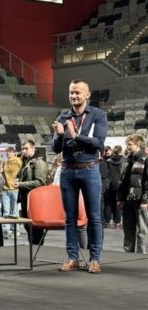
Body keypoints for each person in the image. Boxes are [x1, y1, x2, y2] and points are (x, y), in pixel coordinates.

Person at [51, 79, 107, 274]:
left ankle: (95, 259)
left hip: (89, 169)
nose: (74, 96)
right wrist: (60, 135)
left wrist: (76, 136)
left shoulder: (98, 115)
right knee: (70, 218)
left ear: (87, 95)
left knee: (94, 217)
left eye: (78, 92)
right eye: (71, 92)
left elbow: (99, 143)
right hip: (67, 169)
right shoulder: (63, 117)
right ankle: (72, 258)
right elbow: (55, 148)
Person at [116, 134, 148, 254]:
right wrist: (120, 199)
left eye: (130, 144)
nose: (127, 147)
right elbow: (123, 181)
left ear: (137, 144)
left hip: (140, 199)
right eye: (127, 144)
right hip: (128, 199)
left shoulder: (145, 159)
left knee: (142, 229)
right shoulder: (127, 159)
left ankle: (141, 253)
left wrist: (145, 200)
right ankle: (128, 254)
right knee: (128, 227)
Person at [14, 140, 48, 245]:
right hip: (25, 198)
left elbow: (40, 182)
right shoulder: (24, 162)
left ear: (33, 148)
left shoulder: (39, 163)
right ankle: (33, 248)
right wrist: (17, 180)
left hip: (35, 200)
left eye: (26, 149)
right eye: (22, 149)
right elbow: (19, 176)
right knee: (27, 225)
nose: (24, 151)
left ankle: (37, 248)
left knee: (35, 227)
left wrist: (20, 184)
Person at [1, 146, 22, 238]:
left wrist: (19, 181)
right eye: (7, 152)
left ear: (13, 153)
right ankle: (6, 230)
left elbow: (23, 170)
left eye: (10, 152)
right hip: (5, 188)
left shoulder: (18, 161)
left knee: (14, 210)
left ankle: (16, 229)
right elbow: (1, 172)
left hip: (15, 188)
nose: (8, 153)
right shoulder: (4, 162)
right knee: (6, 210)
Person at [105, 145, 124, 229]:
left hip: (110, 184)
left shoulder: (108, 161)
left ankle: (107, 222)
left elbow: (107, 173)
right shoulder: (124, 161)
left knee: (108, 203)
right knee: (119, 203)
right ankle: (117, 223)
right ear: (120, 151)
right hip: (120, 184)